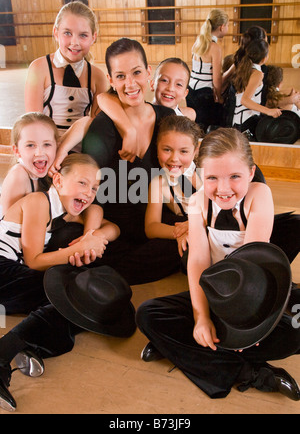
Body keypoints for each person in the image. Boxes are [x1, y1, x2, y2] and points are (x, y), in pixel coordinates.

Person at [136, 127, 300, 400]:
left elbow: (252, 265)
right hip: (217, 295)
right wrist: (201, 317)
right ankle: (249, 372)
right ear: (200, 176)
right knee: (147, 313)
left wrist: (252, 325)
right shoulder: (198, 202)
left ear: (250, 172)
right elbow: (198, 261)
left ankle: (181, 347)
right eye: (212, 178)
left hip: (257, 296)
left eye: (235, 177)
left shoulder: (259, 195)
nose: (223, 189)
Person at [51, 37, 185, 284]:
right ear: (111, 81)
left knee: (188, 239)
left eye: (136, 73)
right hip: (115, 232)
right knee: (67, 240)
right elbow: (88, 190)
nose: (130, 83)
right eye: (121, 76)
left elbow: (187, 169)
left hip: (153, 224)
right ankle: (98, 275)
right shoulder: (104, 126)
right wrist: (92, 235)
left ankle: (101, 277)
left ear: (148, 73)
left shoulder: (166, 118)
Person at [0, 153, 121, 411]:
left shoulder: (65, 212)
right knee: (70, 296)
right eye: (82, 183)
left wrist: (93, 234)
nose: (89, 193)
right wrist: (79, 248)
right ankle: (10, 353)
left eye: (95, 188)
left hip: (12, 280)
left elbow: (115, 228)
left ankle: (30, 345)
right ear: (57, 179)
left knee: (79, 305)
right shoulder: (38, 202)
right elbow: (33, 260)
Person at [91, 57, 196, 163]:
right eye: (164, 80)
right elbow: (103, 97)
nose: (170, 88)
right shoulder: (137, 110)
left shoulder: (187, 115)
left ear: (185, 93)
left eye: (178, 84)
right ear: (152, 84)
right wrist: (129, 130)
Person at [24, 1, 107, 134]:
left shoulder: (98, 76)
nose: (74, 42)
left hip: (81, 150)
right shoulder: (39, 68)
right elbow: (32, 123)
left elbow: (98, 127)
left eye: (83, 35)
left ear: (93, 37)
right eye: (67, 33)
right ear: (56, 33)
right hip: (45, 147)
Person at [145, 114, 202, 258]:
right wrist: (179, 233)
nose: (174, 158)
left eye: (183, 151)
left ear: (195, 151)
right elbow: (151, 227)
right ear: (156, 149)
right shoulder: (158, 183)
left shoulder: (207, 174)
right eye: (167, 150)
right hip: (182, 233)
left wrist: (194, 226)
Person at [0, 113, 58, 216]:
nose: (40, 152)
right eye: (30, 145)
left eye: (47, 144)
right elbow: (9, 226)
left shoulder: (52, 171)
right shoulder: (18, 176)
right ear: (17, 151)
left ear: (57, 146)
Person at [186, 9, 229, 130]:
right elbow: (216, 79)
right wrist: (220, 97)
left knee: (196, 125)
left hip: (191, 89)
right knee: (210, 126)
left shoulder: (199, 42)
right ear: (222, 27)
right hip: (205, 93)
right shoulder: (215, 48)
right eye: (228, 25)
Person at [231, 39, 282, 136]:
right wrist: (269, 111)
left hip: (239, 121)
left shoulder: (245, 69)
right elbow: (245, 100)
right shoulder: (257, 74)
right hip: (247, 121)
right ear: (264, 58)